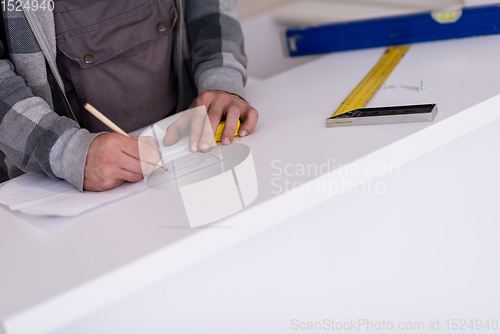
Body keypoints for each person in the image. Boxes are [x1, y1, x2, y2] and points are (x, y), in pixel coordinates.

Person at [0, 0, 258, 191]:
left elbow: (210, 7)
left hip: (186, 161)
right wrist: (66, 151)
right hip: (64, 189)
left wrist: (221, 80)